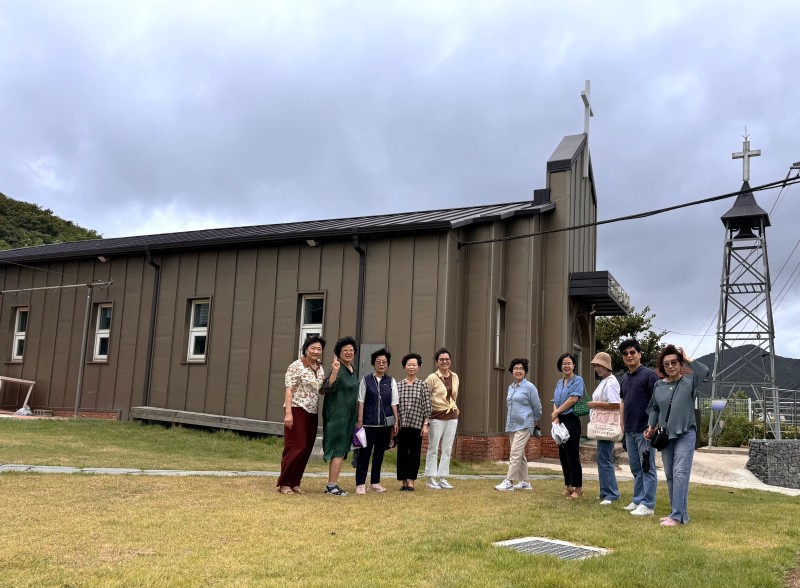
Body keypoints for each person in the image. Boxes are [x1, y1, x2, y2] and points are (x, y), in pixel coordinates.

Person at [644, 345, 709, 527]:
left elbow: (704, 372)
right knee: (670, 474)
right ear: (662, 366)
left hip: (686, 433)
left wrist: (689, 360)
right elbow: (655, 408)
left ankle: (678, 516)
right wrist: (650, 426)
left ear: (680, 365)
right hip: (665, 435)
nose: (670, 366)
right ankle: (676, 513)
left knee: (680, 473)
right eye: (666, 364)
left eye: (674, 362)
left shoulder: (689, 382)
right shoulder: (659, 385)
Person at [277, 335, 325, 495]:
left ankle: (295, 482)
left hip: (312, 411)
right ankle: (284, 483)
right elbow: (289, 389)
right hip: (297, 409)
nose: (316, 351)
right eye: (313, 348)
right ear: (306, 349)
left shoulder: (320, 368)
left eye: (319, 349)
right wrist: (288, 414)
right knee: (296, 446)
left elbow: (321, 391)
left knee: (306, 448)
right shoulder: (296, 366)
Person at [619, 338, 659, 516]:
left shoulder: (649, 375)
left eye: (632, 352)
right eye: (625, 353)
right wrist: (621, 424)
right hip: (629, 429)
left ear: (639, 354)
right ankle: (637, 500)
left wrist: (654, 425)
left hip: (645, 430)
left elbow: (658, 402)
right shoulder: (624, 378)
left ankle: (648, 505)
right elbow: (622, 402)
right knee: (636, 468)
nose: (629, 356)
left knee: (647, 467)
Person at [355, 348, 399, 494]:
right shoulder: (366, 380)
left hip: (385, 424)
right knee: (365, 453)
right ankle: (360, 484)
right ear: (373, 363)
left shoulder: (391, 381)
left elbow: (394, 402)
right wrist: (360, 420)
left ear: (388, 364)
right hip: (368, 423)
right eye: (378, 361)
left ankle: (375, 482)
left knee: (379, 454)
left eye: (384, 362)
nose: (381, 364)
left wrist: (396, 422)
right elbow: (361, 401)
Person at [495, 358, 542, 491]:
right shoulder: (511, 387)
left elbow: (537, 406)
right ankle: (525, 482)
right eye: (516, 368)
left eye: (521, 368)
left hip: (525, 424)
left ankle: (509, 482)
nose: (518, 371)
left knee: (514, 453)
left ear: (525, 371)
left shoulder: (530, 387)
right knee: (520, 454)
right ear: (512, 371)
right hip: (512, 425)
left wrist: (535, 420)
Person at [321, 336, 359, 497]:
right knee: (338, 448)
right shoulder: (336, 367)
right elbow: (326, 389)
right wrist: (335, 371)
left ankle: (333, 483)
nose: (349, 353)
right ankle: (332, 485)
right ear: (338, 353)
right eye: (345, 350)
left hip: (349, 416)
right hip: (337, 415)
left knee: (342, 449)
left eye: (351, 350)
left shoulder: (352, 369)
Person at [587, 352, 621, 505]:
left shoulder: (611, 382)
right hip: (602, 427)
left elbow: (616, 404)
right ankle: (605, 492)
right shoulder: (605, 381)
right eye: (596, 366)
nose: (597, 368)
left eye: (600, 365)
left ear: (607, 366)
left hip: (606, 426)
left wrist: (596, 404)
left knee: (605, 458)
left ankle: (611, 494)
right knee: (602, 458)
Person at [424, 347, 460, 490]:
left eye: (447, 359)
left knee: (447, 448)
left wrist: (456, 408)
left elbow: (454, 395)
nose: (445, 361)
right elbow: (426, 398)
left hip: (452, 416)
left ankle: (443, 477)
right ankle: (430, 477)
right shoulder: (432, 378)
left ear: (450, 360)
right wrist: (426, 420)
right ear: (437, 362)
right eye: (441, 359)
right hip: (437, 416)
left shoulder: (455, 376)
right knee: (433, 447)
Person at [395, 352, 432, 491]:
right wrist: (396, 423)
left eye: (414, 365)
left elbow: (427, 405)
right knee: (402, 453)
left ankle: (411, 481)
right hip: (402, 424)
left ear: (418, 367)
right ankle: (403, 481)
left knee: (415, 454)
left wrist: (425, 425)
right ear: (404, 367)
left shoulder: (423, 385)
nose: (411, 367)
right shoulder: (398, 385)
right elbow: (396, 406)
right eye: (409, 364)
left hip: (417, 425)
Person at [551, 352, 584, 499]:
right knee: (563, 454)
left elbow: (573, 399)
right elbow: (555, 401)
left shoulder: (578, 380)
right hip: (560, 420)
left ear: (574, 365)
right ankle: (568, 486)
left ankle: (578, 488)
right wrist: (556, 416)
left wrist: (556, 412)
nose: (566, 366)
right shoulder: (559, 382)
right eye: (564, 363)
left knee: (572, 454)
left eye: (569, 363)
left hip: (571, 420)